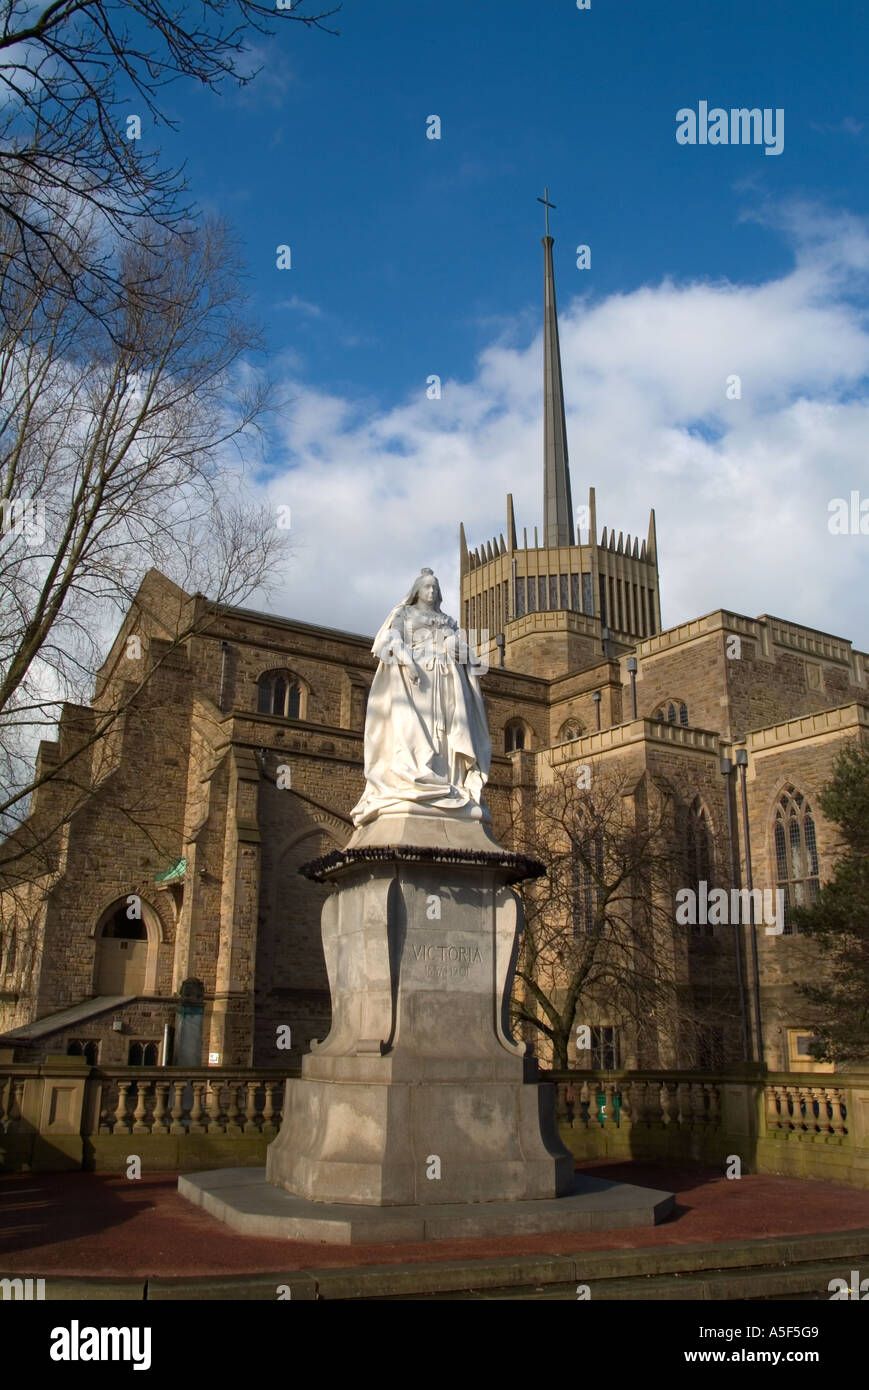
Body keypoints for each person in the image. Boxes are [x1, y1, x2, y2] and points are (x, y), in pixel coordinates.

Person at [350, 568, 492, 826]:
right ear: (417, 590)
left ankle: (447, 777)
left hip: (445, 680)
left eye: (435, 587)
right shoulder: (404, 613)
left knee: (446, 734)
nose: (432, 591)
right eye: (427, 587)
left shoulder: (447, 620)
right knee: (415, 728)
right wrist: (408, 661)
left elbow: (458, 645)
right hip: (415, 681)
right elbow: (391, 639)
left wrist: (461, 650)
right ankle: (417, 773)